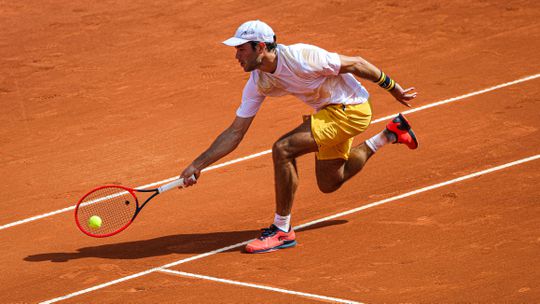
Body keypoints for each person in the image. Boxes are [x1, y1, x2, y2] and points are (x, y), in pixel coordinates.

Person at [179, 20, 418, 254]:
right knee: (330, 182)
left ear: (260, 47)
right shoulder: (259, 82)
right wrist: (197, 164)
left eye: (241, 49)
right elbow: (235, 132)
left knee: (283, 149)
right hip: (327, 113)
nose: (236, 56)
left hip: (351, 109)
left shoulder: (302, 57)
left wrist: (393, 87)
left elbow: (356, 63)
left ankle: (281, 230)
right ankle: (390, 134)